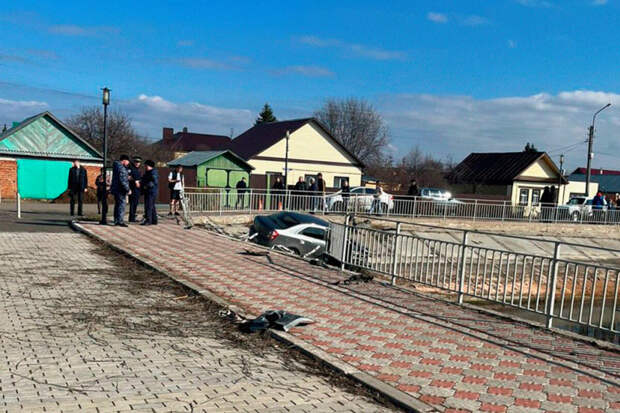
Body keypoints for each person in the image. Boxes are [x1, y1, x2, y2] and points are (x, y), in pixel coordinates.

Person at [110, 154, 131, 227]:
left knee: (117, 205)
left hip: (116, 189)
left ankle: (116, 220)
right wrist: (128, 189)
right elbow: (122, 180)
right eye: (127, 161)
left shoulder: (116, 166)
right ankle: (120, 221)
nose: (128, 163)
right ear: (124, 160)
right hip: (121, 190)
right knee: (121, 205)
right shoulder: (121, 168)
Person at [140, 160, 159, 225]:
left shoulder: (153, 173)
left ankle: (148, 220)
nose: (145, 167)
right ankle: (154, 220)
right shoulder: (149, 172)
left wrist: (146, 186)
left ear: (150, 166)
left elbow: (154, 182)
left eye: (146, 166)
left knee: (148, 206)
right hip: (149, 191)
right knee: (152, 206)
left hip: (151, 191)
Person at [128, 156, 142, 222]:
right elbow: (128, 177)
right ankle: (131, 217)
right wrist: (135, 180)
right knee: (132, 203)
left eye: (138, 162)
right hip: (132, 188)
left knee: (135, 203)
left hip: (137, 189)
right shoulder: (131, 168)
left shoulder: (138, 169)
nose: (137, 163)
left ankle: (133, 216)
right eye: (136, 162)